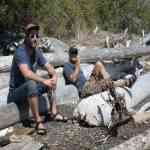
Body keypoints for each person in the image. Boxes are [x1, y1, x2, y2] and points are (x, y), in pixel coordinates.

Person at [7, 22, 67, 135]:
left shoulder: (37, 52)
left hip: (30, 90)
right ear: (26, 37)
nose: (35, 39)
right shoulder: (20, 52)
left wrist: (53, 76)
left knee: (50, 78)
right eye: (32, 36)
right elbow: (27, 73)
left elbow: (50, 68)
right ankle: (38, 121)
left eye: (36, 36)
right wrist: (43, 80)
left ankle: (54, 112)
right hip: (15, 94)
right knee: (32, 83)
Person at [63, 47, 136, 98]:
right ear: (69, 54)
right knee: (102, 83)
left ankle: (109, 82)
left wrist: (77, 65)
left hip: (88, 83)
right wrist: (78, 64)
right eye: (72, 53)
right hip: (83, 90)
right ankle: (123, 83)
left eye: (75, 53)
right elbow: (73, 79)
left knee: (98, 64)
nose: (74, 55)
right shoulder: (67, 66)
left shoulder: (76, 64)